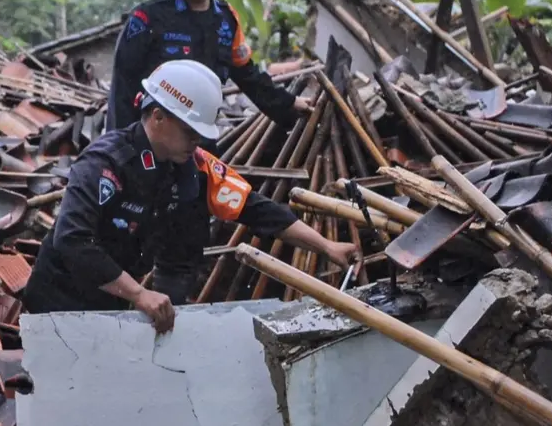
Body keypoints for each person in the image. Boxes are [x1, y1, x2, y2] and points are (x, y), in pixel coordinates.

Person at [24, 59, 356, 333]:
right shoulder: (104, 164)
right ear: (158, 117)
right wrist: (139, 294)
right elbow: (72, 240)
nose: (197, 141)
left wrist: (327, 246)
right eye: (190, 131)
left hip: (112, 302)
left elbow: (255, 209)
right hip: (59, 300)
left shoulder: (192, 166)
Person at [104, 0, 313, 135]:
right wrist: (120, 148)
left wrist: (289, 104)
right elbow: (122, 89)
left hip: (200, 141)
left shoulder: (226, 21)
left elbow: (248, 77)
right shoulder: (147, 19)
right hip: (154, 141)